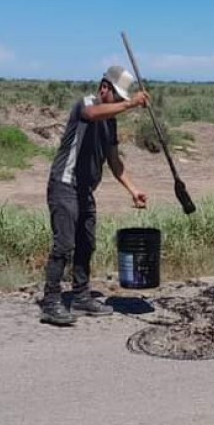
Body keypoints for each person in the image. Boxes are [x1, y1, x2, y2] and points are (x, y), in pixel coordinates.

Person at [40, 66, 150, 325]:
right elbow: (91, 114)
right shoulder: (87, 104)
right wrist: (132, 104)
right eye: (119, 97)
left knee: (87, 243)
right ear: (104, 88)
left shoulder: (110, 122)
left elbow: (113, 160)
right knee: (64, 245)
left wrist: (133, 190)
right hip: (64, 184)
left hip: (85, 190)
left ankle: (80, 296)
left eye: (124, 99)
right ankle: (51, 302)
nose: (121, 103)